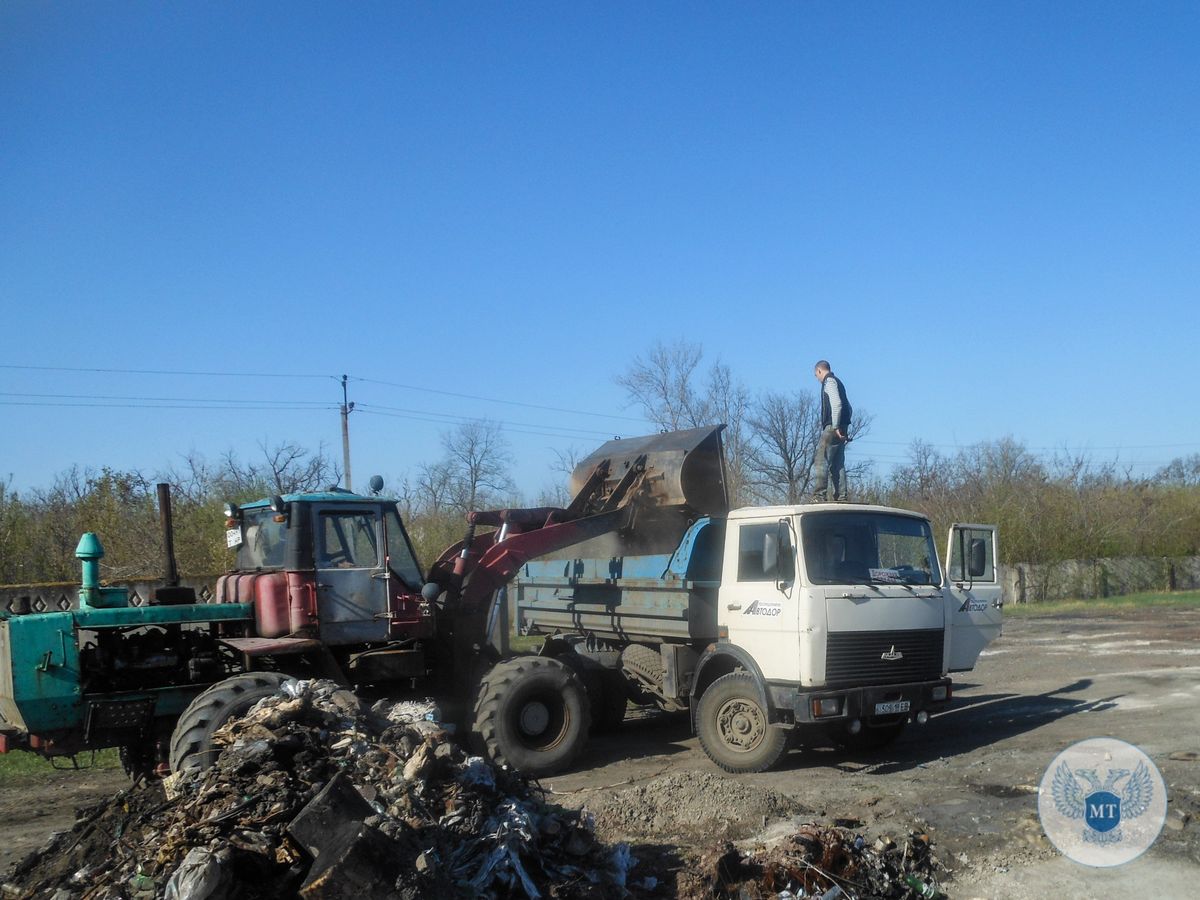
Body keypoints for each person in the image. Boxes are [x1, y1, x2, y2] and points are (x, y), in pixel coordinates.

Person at [811, 360, 852, 501]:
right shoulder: (839, 383)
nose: (817, 379)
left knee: (821, 459)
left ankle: (819, 495)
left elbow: (837, 404)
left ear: (819, 371)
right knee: (838, 463)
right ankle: (842, 496)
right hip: (842, 427)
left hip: (833, 427)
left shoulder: (829, 382)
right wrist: (844, 427)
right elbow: (849, 407)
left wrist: (835, 426)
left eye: (816, 375)